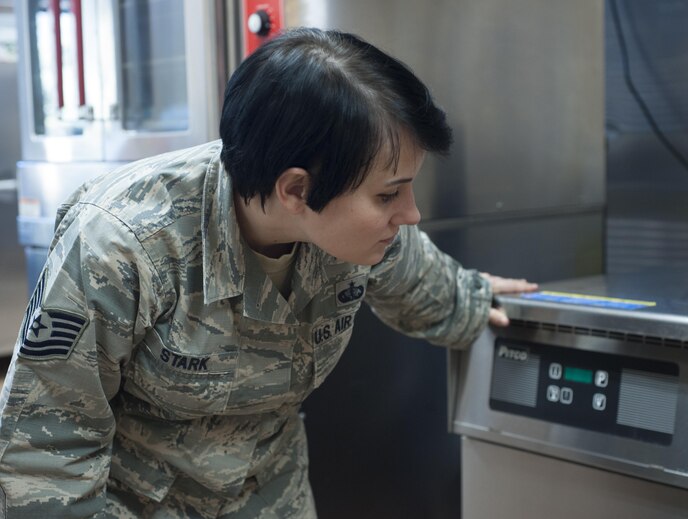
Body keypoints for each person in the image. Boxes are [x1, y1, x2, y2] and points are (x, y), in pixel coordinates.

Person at [0, 27, 536, 517]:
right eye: (388, 194)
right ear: (296, 190)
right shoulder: (120, 243)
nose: (410, 213)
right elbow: (46, 450)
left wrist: (496, 308)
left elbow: (425, 289)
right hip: (138, 501)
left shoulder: (362, 230)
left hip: (270, 492)